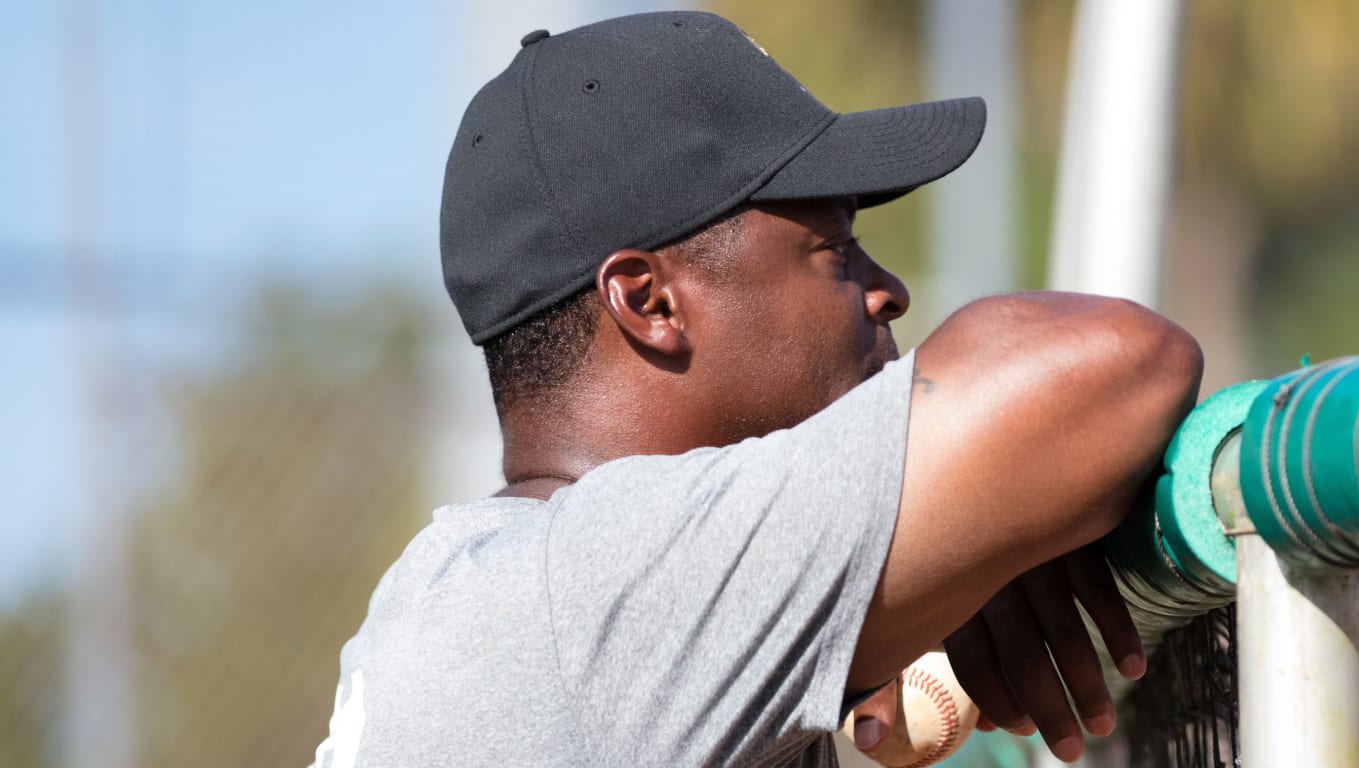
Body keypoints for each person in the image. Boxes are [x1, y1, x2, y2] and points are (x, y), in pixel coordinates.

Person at [312, 10, 1200, 768]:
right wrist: (975, 500)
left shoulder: (515, 593)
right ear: (649, 301)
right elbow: (1120, 360)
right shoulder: (604, 588)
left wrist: (950, 540)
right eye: (833, 250)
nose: (888, 288)